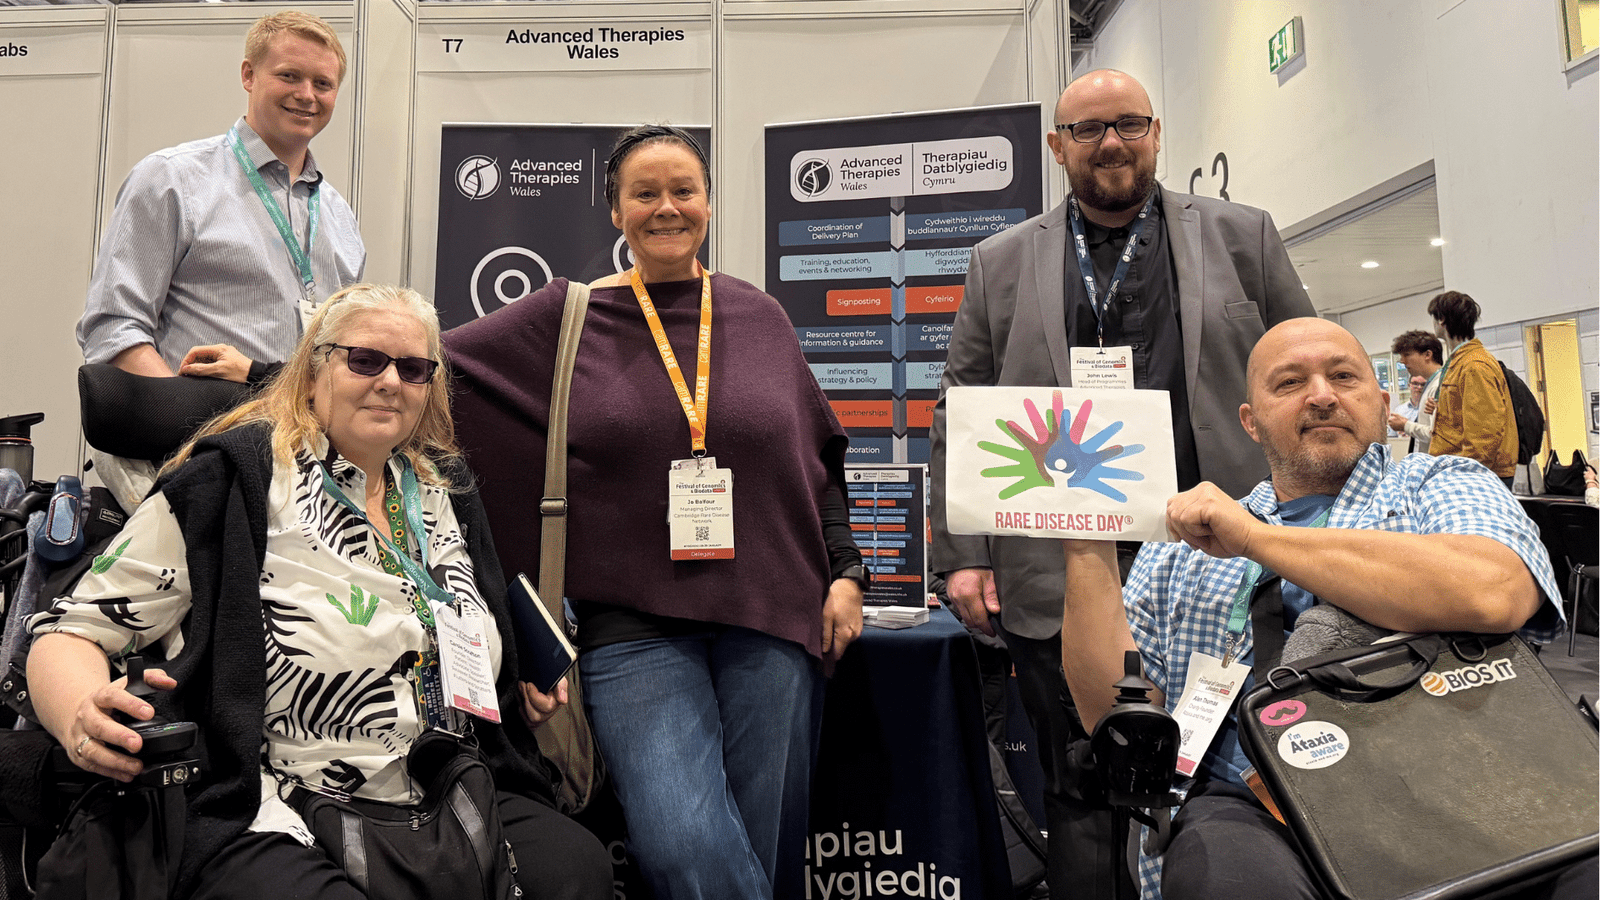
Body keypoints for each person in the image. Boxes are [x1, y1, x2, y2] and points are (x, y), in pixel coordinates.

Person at [29, 285, 610, 900]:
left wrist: (513, 682)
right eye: (366, 360)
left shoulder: (444, 491)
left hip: (446, 785)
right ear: (311, 373)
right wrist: (81, 715)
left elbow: (465, 631)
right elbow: (69, 632)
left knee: (579, 871)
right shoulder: (233, 482)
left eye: (414, 369)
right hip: (281, 797)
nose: (391, 381)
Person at [446, 124, 866, 900]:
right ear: (616, 213)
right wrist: (276, 369)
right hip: (633, 630)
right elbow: (424, 365)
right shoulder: (567, 318)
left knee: (766, 843)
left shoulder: (760, 315)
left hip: (771, 615)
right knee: (682, 842)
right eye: (645, 193)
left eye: (684, 191)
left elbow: (818, 461)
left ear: (708, 203)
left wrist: (847, 572)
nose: (666, 208)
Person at [928, 67, 1315, 898]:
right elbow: (959, 408)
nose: (1111, 141)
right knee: (1079, 785)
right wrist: (962, 555)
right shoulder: (999, 261)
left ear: (1157, 132)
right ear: (1057, 145)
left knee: (1232, 776)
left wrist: (1316, 525)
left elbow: (1306, 370)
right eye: (1090, 128)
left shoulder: (1244, 236)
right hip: (1056, 568)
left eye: (1128, 124)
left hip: (1219, 564)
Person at [1058, 317, 1583, 899]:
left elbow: (1494, 591)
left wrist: (1256, 539)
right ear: (1250, 422)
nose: (1323, 394)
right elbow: (1117, 710)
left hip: (1465, 781)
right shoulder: (1182, 548)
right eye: (1289, 383)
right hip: (1254, 810)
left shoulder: (1440, 482)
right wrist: (1085, 541)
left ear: (1381, 403)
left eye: (1343, 376)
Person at [75, 10, 365, 508]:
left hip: (301, 467)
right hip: (190, 459)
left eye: (324, 83)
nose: (307, 95)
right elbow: (114, 328)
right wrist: (193, 435)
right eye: (289, 76)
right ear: (249, 75)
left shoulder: (340, 217)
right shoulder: (171, 180)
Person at [1426, 291, 1518, 487]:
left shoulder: (1474, 365)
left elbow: (1484, 431)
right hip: (1463, 470)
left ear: (1441, 319)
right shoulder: (1461, 362)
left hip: (1477, 476)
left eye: (1434, 318)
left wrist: (1469, 478)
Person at [1388, 329, 1444, 454]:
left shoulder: (1439, 386)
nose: (1402, 361)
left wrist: (1405, 425)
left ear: (1427, 355)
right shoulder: (1431, 385)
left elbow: (1436, 435)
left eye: (1407, 355)